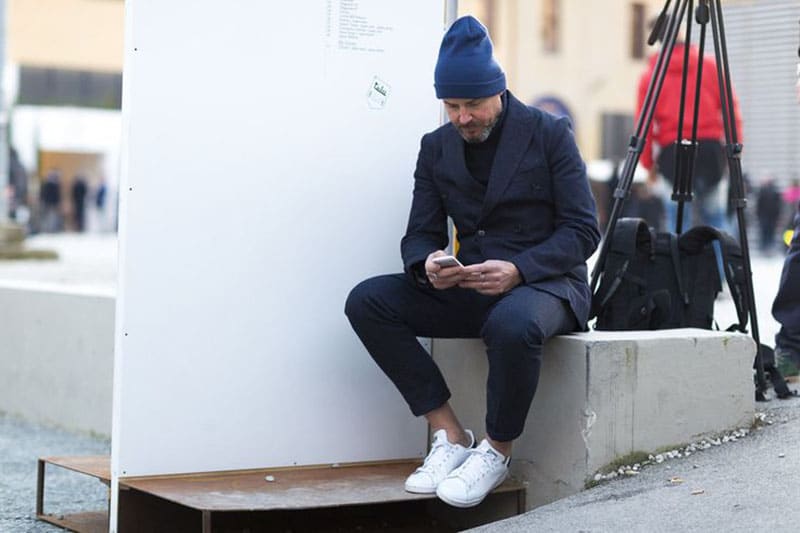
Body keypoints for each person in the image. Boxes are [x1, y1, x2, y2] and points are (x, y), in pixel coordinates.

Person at [345, 16, 600, 508]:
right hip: (473, 285)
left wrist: (520, 269)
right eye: (452, 106)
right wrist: (430, 264)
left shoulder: (550, 134)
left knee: (511, 322)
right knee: (368, 301)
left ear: (498, 91)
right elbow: (419, 233)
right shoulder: (435, 147)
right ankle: (450, 433)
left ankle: (496, 451)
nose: (463, 117)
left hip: (547, 286)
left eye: (473, 105)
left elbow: (583, 230)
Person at [636, 21, 743, 232]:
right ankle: (723, 264)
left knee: (677, 224)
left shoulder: (652, 76)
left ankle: (677, 264)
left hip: (673, 155)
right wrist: (735, 151)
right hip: (710, 151)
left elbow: (644, 125)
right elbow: (731, 111)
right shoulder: (711, 67)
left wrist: (648, 164)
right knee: (717, 221)